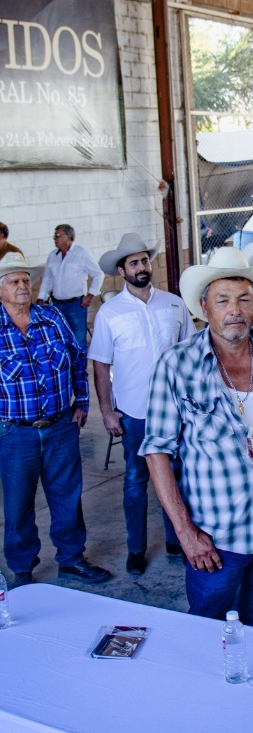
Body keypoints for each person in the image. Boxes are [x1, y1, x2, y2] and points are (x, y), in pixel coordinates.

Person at [143, 249, 253, 627]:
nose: (235, 309)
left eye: (244, 299)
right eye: (222, 300)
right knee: (206, 631)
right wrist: (185, 533)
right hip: (216, 537)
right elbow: (157, 452)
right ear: (204, 307)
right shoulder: (176, 365)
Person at [0, 251, 107, 587]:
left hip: (61, 426)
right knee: (18, 505)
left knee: (67, 497)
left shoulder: (52, 318)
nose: (22, 286)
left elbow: (77, 359)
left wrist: (83, 402)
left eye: (24, 280)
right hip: (16, 433)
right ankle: (22, 570)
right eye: (13, 281)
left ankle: (72, 559)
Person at [89, 233, 186, 574]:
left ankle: (177, 540)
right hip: (134, 413)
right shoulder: (110, 313)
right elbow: (101, 363)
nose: (141, 267)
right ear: (122, 270)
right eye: (134, 263)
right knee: (135, 482)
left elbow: (188, 354)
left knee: (177, 478)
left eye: (144, 260)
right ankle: (136, 549)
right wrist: (107, 410)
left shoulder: (174, 304)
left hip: (175, 411)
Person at [37, 223, 102, 352]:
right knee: (60, 338)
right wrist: (41, 297)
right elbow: (48, 278)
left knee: (78, 340)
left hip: (76, 305)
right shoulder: (53, 256)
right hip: (57, 305)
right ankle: (68, 369)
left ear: (69, 236)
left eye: (58, 235)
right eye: (55, 236)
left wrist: (91, 295)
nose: (55, 238)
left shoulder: (81, 253)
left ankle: (81, 371)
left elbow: (98, 274)